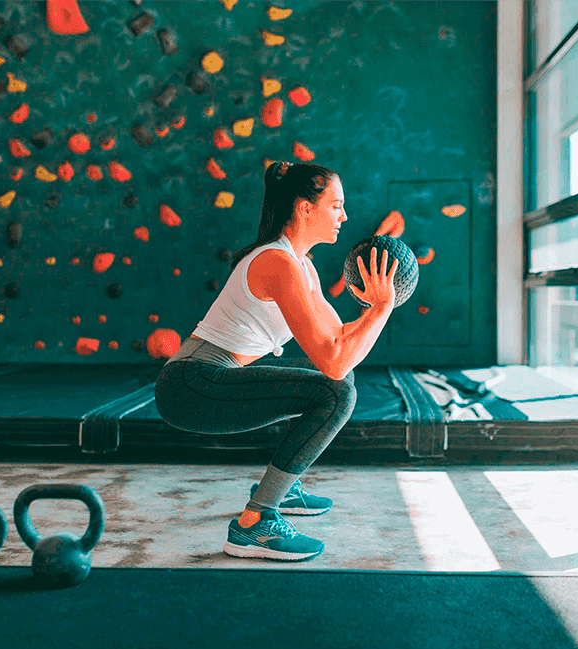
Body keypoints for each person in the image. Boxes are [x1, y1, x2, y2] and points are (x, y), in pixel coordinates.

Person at [154, 160, 398, 561]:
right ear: (305, 208)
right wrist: (381, 309)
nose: (345, 216)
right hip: (190, 386)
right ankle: (255, 523)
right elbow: (333, 363)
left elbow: (338, 342)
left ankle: (281, 489)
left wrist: (375, 307)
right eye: (336, 205)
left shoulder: (301, 265)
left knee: (340, 384)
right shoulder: (277, 263)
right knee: (334, 393)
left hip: (207, 380)